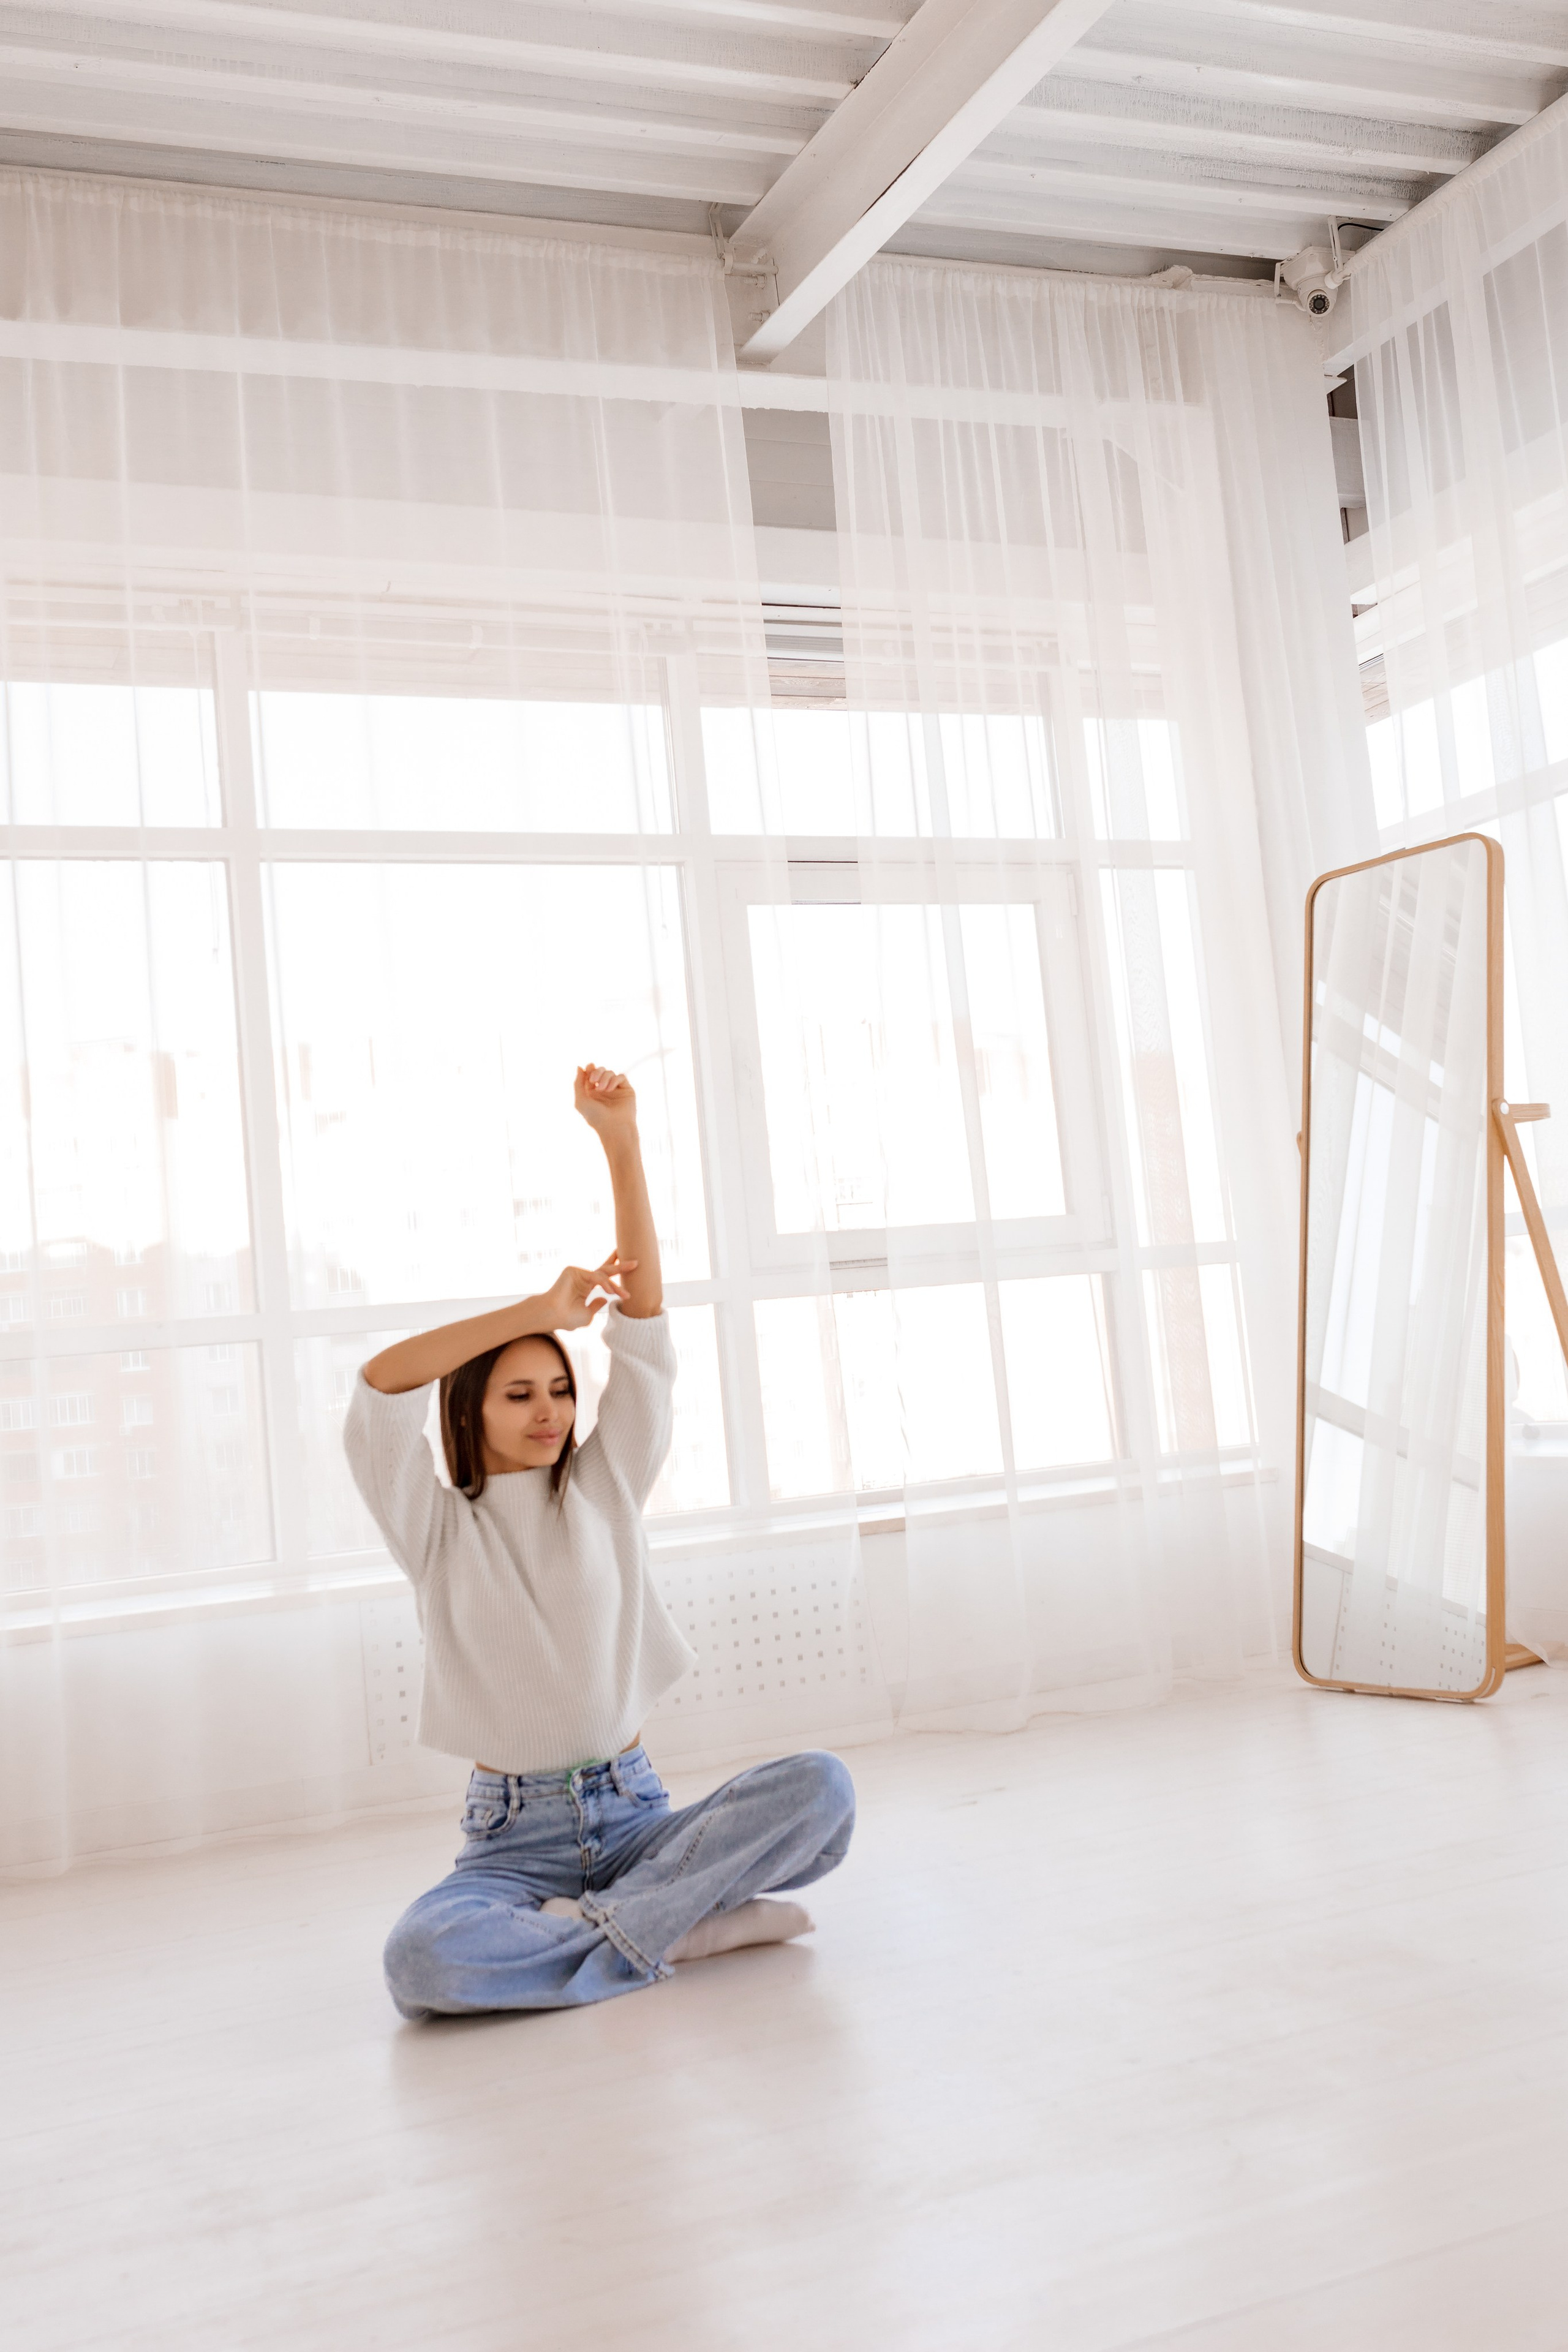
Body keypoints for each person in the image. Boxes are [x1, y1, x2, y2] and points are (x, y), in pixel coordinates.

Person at [345, 1063, 855, 2019]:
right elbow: (378, 1388)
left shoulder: (607, 1485)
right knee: (420, 1964)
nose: (551, 1410)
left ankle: (615, 1923)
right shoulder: (436, 1526)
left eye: (561, 1389)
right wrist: (537, 1314)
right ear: (473, 1408)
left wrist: (620, 1143)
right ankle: (674, 1926)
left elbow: (646, 1336)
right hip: (513, 1845)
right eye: (521, 1392)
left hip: (636, 1816)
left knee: (823, 1795)